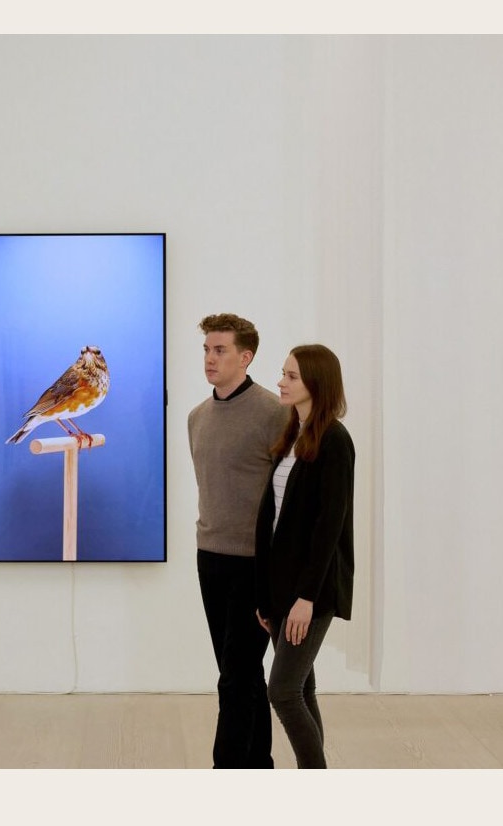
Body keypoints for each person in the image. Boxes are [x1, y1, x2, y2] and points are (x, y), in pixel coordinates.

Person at [187, 313, 290, 768]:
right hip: (209, 558)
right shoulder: (197, 417)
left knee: (234, 679)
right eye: (207, 349)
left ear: (246, 357)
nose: (210, 358)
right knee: (242, 675)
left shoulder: (276, 414)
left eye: (220, 350)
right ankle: (258, 766)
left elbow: (292, 494)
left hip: (255, 565)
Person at [255, 343, 354, 769]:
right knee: (301, 689)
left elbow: (329, 528)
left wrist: (305, 598)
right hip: (281, 589)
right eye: (283, 373)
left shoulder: (335, 440)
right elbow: (273, 521)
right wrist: (267, 596)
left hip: (309, 593)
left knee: (282, 691)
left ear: (316, 383)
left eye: (291, 376)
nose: (281, 381)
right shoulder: (291, 435)